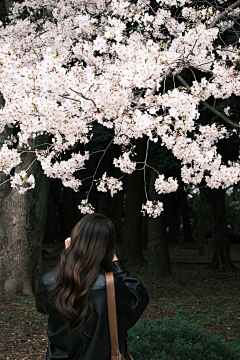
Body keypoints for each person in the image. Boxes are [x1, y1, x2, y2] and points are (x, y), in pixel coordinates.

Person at [35, 213, 149, 360]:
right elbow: (138, 299)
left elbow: (45, 308)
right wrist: (117, 264)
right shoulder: (112, 284)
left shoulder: (48, 281)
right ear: (107, 247)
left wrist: (68, 256)